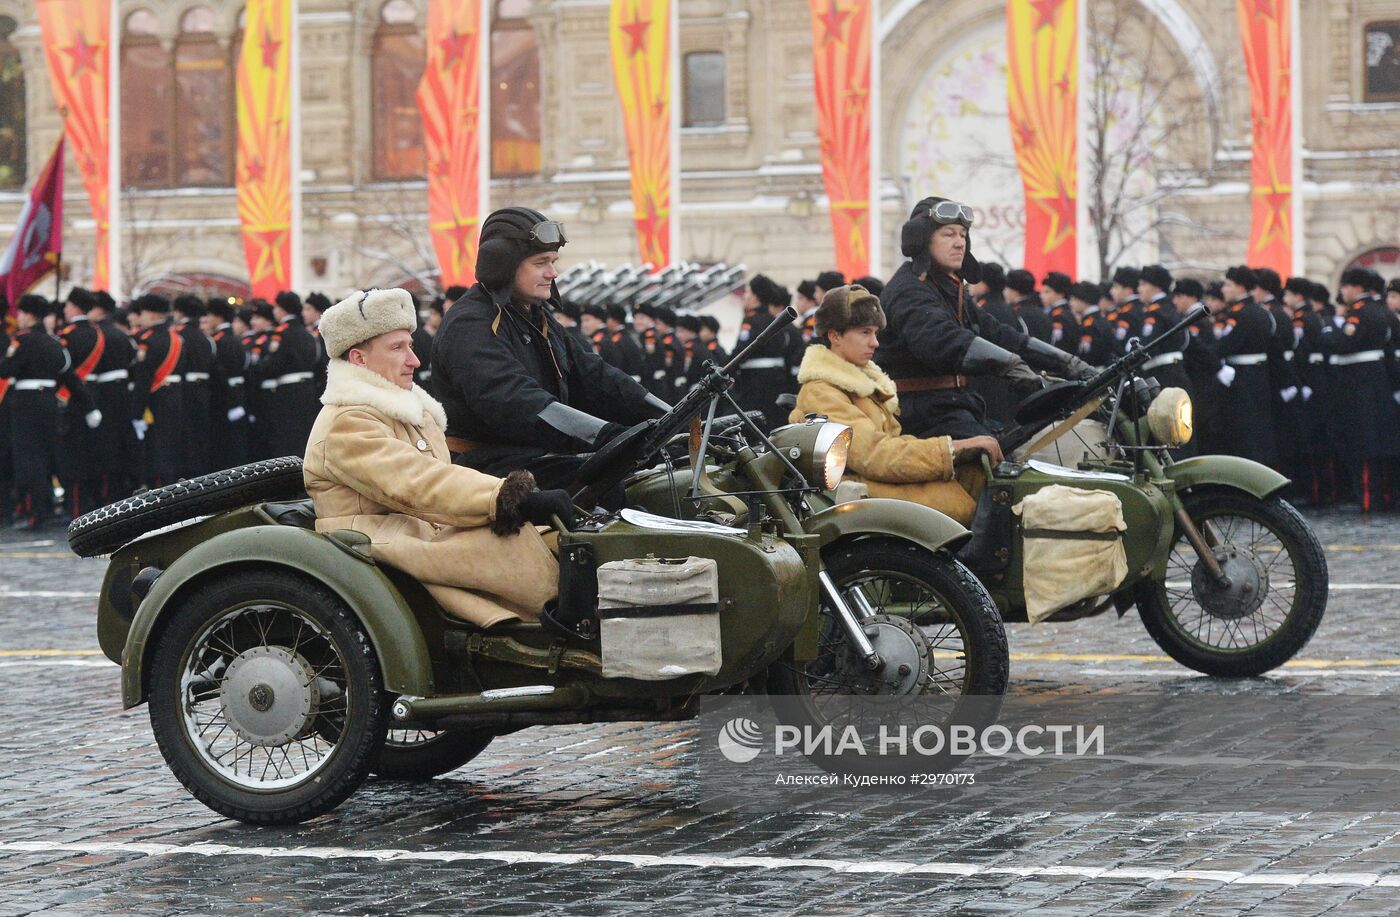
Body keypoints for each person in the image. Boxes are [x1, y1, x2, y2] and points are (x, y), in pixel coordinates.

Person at [304, 288, 564, 628]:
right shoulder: (348, 421)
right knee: (543, 558)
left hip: (420, 533)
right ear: (358, 359)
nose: (414, 360)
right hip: (381, 548)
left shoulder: (397, 410)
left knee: (563, 541)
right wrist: (506, 496)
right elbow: (416, 482)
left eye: (410, 345)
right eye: (398, 348)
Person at [429, 206, 669, 499]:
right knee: (617, 494)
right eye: (541, 262)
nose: (552, 273)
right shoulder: (471, 323)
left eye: (553, 261)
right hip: (486, 474)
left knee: (656, 484)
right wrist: (605, 435)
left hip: (529, 461)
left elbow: (594, 376)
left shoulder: (534, 316)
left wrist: (669, 415)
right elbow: (514, 400)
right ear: (502, 265)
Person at [874, 196, 1095, 439]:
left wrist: (1069, 363)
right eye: (948, 235)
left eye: (962, 235)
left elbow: (998, 333)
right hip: (919, 413)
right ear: (922, 240)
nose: (959, 243)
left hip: (952, 407)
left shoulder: (949, 288)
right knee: (996, 458)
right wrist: (1009, 365)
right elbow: (941, 341)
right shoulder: (910, 289)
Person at [790, 285, 1002, 526]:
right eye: (865, 332)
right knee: (968, 507)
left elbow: (888, 446)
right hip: (856, 496)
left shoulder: (860, 385)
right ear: (834, 336)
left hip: (872, 486)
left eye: (876, 333)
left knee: (978, 477)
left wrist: (957, 451)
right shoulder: (822, 392)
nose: (875, 343)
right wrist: (951, 450)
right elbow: (875, 456)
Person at [1, 295, 99, 528]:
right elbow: (70, 377)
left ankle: (35, 512)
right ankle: (49, 509)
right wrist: (90, 407)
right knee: (48, 457)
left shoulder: (22, 341)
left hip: (25, 404)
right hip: (49, 402)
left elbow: (7, 368)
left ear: (28, 314)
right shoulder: (55, 343)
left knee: (28, 460)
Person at [1318, 268, 1398, 511]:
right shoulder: (1384, 312)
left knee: (1362, 444)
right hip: (1378, 382)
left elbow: (1343, 343)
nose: (1343, 291)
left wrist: (1329, 328)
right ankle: (1384, 496)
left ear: (1358, 288)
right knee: (1378, 442)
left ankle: (1368, 499)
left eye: (1346, 286)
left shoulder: (1360, 313)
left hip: (1359, 386)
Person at [1211, 266, 1277, 467]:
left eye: (1228, 285)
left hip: (1242, 379)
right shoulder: (1262, 312)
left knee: (1244, 434)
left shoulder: (1239, 315)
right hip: (1261, 377)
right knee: (1260, 432)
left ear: (1240, 287)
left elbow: (1225, 345)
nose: (1224, 289)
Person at [55, 288, 108, 516]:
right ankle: (94, 504)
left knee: (73, 457)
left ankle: (76, 508)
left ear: (75, 307)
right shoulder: (99, 333)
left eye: (67, 305)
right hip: (98, 397)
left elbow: (64, 371)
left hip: (74, 401)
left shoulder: (67, 335)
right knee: (93, 455)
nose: (65, 310)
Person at [249, 291, 320, 458]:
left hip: (288, 393)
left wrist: (258, 369)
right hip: (307, 389)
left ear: (282, 310)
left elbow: (275, 363)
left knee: (286, 440)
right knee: (303, 438)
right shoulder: (307, 333)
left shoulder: (282, 332)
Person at [128, 294, 189, 487]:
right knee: (172, 448)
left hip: (156, 401)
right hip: (176, 398)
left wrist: (137, 412)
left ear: (153, 315)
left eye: (144, 312)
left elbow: (143, 380)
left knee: (156, 451)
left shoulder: (147, 340)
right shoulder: (178, 339)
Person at [85, 289, 136, 502]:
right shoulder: (121, 335)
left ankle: (106, 495)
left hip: (103, 395)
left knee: (104, 448)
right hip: (123, 393)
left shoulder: (97, 335)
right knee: (120, 445)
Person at [732, 273, 794, 429]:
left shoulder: (752, 320)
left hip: (755, 384)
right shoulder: (773, 319)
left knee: (754, 425)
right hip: (776, 381)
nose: (745, 296)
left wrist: (726, 368)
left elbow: (741, 351)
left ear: (755, 298)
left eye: (748, 293)